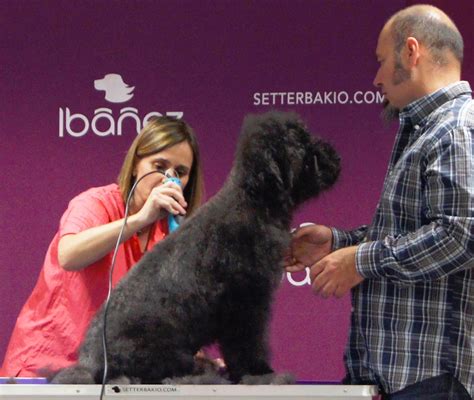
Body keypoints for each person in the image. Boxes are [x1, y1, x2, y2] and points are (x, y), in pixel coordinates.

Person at [285, 5, 472, 399]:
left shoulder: (457, 128)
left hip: (431, 380)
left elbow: (461, 234)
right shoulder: (432, 129)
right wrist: (338, 243)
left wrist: (359, 260)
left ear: (411, 52)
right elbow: (416, 231)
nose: (376, 78)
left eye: (382, 61)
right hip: (404, 379)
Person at [1, 116, 205, 377]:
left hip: (106, 374)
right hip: (46, 368)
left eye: (180, 172)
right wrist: (140, 219)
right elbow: (69, 255)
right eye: (159, 165)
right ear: (135, 166)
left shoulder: (170, 232)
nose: (169, 179)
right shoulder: (95, 203)